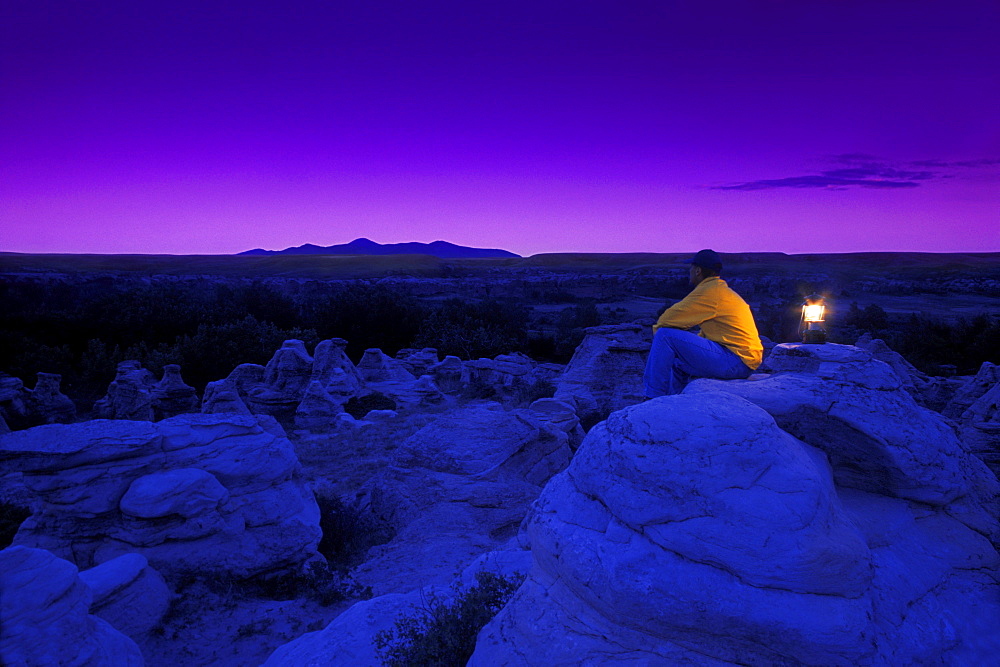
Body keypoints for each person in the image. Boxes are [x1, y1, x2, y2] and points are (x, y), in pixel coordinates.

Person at [644, 249, 763, 397]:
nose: (690, 271)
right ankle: (676, 400)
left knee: (665, 335)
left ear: (698, 270)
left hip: (735, 361)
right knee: (678, 363)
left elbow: (666, 320)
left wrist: (662, 338)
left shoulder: (709, 291)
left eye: (691, 268)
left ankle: (652, 397)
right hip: (742, 361)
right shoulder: (719, 289)